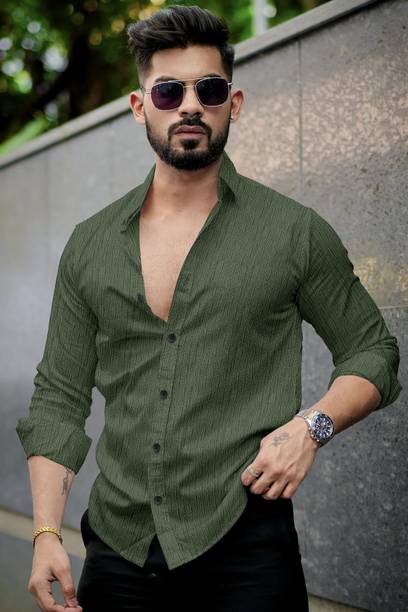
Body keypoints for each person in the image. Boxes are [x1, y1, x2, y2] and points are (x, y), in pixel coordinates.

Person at [16, 5, 402, 612]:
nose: (190, 106)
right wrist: (45, 532)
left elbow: (373, 350)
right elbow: (59, 397)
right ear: (140, 106)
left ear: (234, 103)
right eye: (169, 91)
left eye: (210, 90)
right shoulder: (90, 245)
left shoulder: (293, 232)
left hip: (248, 549)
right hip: (118, 548)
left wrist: (313, 427)